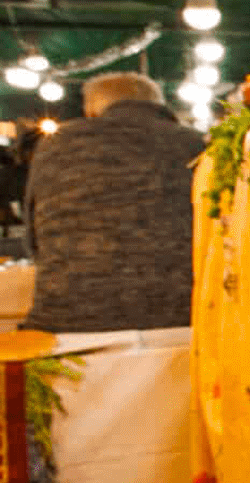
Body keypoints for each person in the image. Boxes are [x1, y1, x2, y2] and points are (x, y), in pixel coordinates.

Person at [23, 72, 204, 333]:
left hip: (67, 327)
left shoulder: (55, 146)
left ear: (92, 109)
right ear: (160, 105)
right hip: (188, 323)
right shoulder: (196, 143)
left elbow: (34, 243)